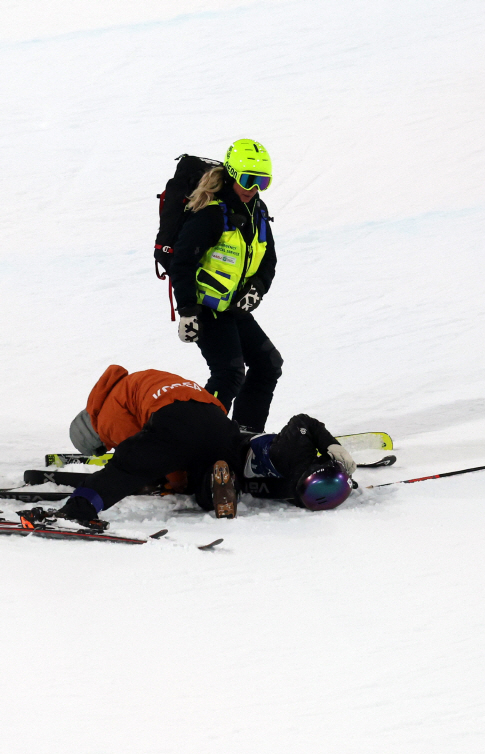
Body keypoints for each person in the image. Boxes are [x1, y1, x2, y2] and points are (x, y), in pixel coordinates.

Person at [58, 365, 359, 523]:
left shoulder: (106, 413)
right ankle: (218, 481)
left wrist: (173, 482)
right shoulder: (142, 378)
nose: (106, 447)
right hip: (217, 420)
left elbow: (137, 454)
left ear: (92, 432)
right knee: (207, 473)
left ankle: (78, 508)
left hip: (175, 418)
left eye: (101, 447)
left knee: (127, 465)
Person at [168, 138, 282, 433]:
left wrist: (257, 288)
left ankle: (245, 434)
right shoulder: (210, 214)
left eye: (262, 182)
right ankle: (200, 440)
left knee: (268, 365)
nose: (253, 188)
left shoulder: (258, 211)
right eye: (248, 179)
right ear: (232, 174)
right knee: (229, 374)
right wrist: (187, 311)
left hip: (233, 308)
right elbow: (182, 262)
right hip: (206, 309)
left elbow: (268, 259)